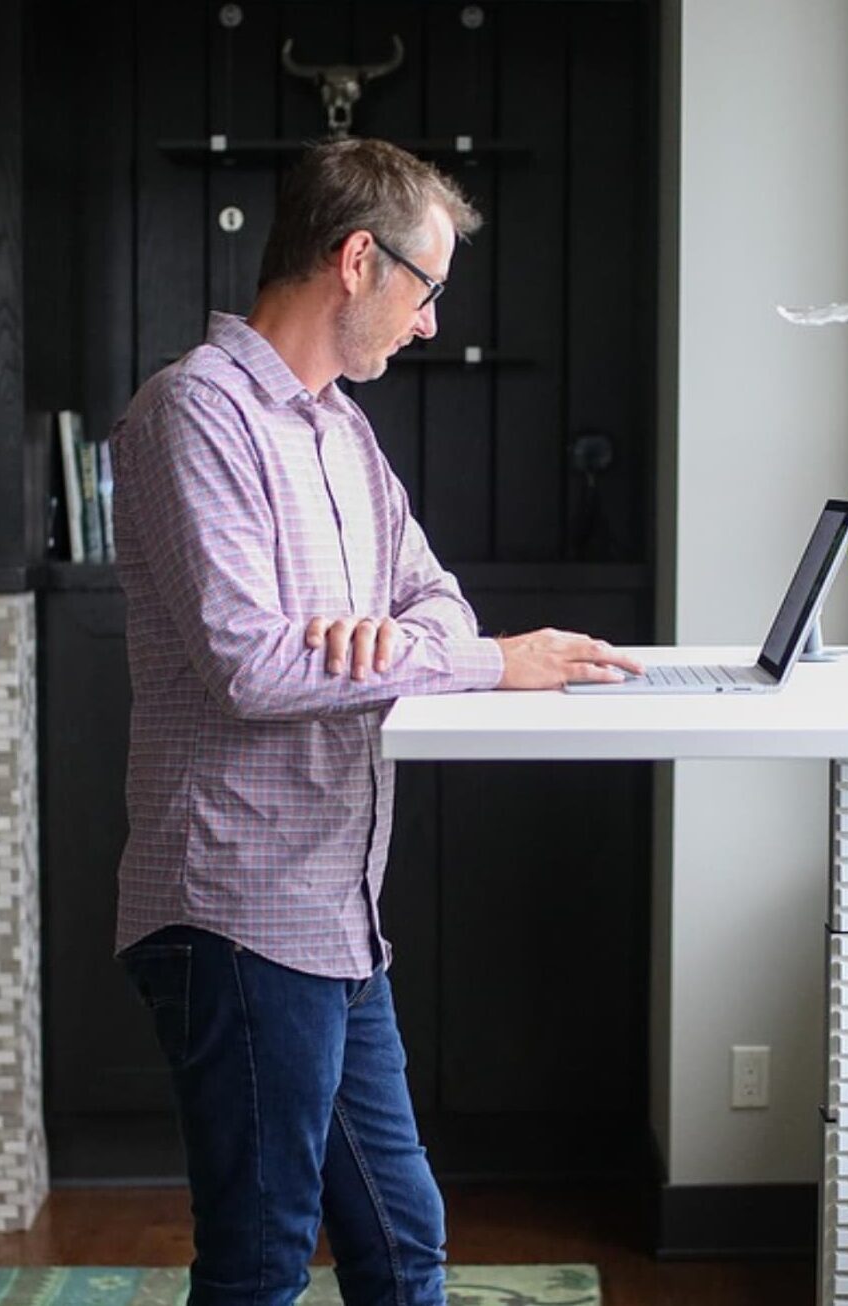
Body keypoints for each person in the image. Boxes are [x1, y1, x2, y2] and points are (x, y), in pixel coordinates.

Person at [107, 137, 643, 1306]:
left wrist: (395, 642)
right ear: (358, 260)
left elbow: (433, 597)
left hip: (334, 911)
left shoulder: (340, 431)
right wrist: (474, 662)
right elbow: (252, 663)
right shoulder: (192, 416)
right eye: (426, 286)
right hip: (235, 910)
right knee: (258, 1257)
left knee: (401, 1239)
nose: (430, 320)